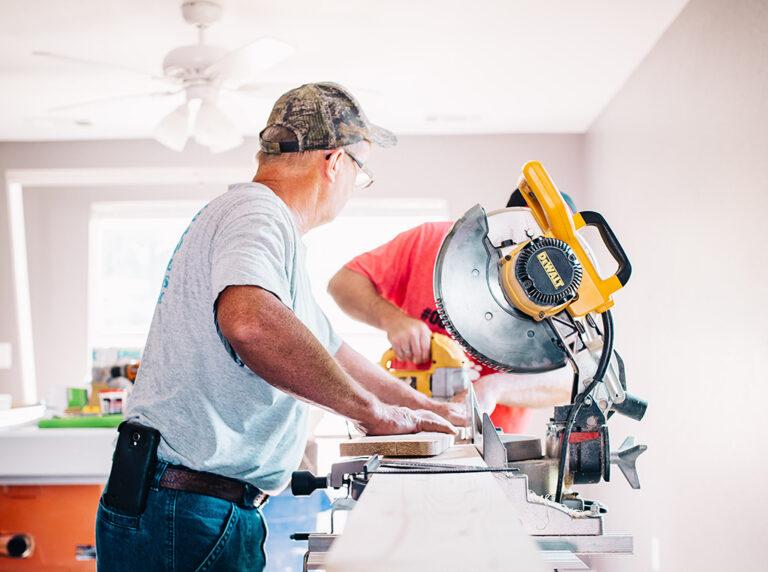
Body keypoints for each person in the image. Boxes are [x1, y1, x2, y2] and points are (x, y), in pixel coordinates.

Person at [95, 83, 464, 572]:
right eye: (361, 171)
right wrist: (370, 411)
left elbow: (329, 349)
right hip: (187, 509)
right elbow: (249, 323)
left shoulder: (260, 226)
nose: (356, 185)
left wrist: (420, 407)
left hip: (184, 503)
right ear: (334, 161)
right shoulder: (258, 212)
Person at [328, 190, 585, 434]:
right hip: (405, 423)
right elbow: (343, 283)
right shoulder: (431, 242)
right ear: (506, 224)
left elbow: (573, 380)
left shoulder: (562, 297)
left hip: (491, 439)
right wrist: (392, 319)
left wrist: (494, 387)